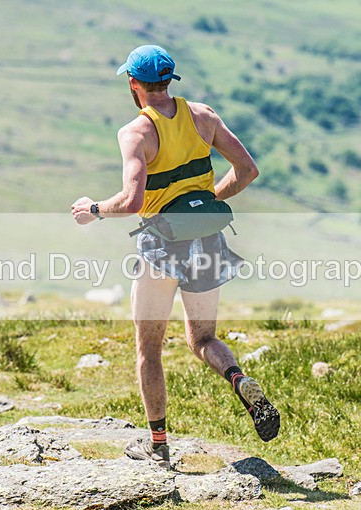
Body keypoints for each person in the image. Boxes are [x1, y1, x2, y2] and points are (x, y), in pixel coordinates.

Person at [72, 44, 279, 469]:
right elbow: (247, 170)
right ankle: (238, 378)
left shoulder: (136, 133)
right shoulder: (202, 116)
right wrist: (202, 203)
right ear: (169, 81)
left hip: (162, 248)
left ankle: (159, 446)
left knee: (149, 348)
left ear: (133, 83)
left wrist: (93, 210)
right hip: (208, 241)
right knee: (203, 338)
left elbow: (131, 202)